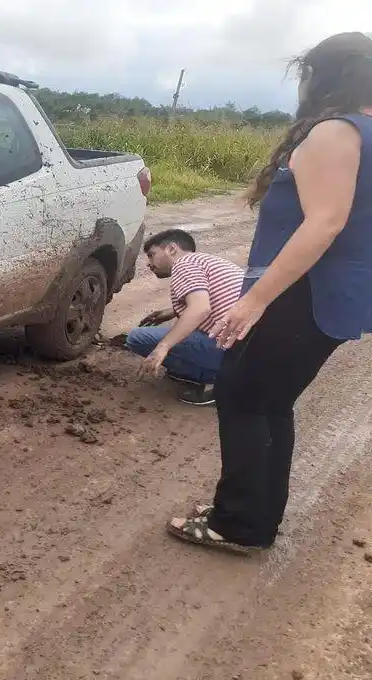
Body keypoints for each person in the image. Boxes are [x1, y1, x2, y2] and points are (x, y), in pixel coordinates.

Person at [168, 32, 372, 553]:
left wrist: (255, 300)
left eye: (306, 72)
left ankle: (237, 524)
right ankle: (252, 515)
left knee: (243, 397)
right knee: (270, 402)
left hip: (302, 291)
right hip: (330, 293)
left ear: (328, 75)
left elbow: (324, 224)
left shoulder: (336, 132)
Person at [125, 229, 244, 406]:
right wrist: (173, 311)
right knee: (183, 329)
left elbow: (200, 309)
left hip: (237, 353)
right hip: (255, 349)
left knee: (137, 338)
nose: (149, 265)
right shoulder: (205, 261)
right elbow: (215, 298)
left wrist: (163, 347)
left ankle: (224, 382)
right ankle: (215, 374)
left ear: (172, 249)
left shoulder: (183, 264)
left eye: (151, 255)